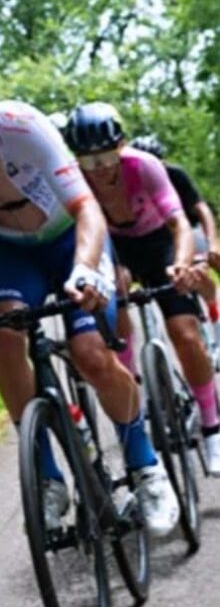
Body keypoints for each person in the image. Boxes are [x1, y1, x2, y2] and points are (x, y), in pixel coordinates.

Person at [0, 39, 178, 536]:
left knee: (93, 354)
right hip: (13, 251)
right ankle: (49, 479)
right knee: (4, 335)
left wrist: (87, 268)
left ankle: (145, 464)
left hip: (69, 238)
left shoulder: (23, 127)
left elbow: (85, 209)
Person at [65, 104, 220, 476]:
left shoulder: (144, 166)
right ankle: (133, 390)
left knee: (183, 331)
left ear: (122, 146)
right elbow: (83, 232)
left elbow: (181, 223)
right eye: (88, 161)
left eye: (106, 157)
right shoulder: (74, 179)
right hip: (118, 249)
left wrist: (182, 264)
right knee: (116, 306)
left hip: (159, 242)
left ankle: (212, 426)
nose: (99, 169)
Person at [129, 134, 220, 343]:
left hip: (189, 228)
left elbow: (202, 209)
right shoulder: (131, 182)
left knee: (202, 266)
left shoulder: (176, 175)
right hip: (160, 239)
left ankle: (214, 309)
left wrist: (213, 242)